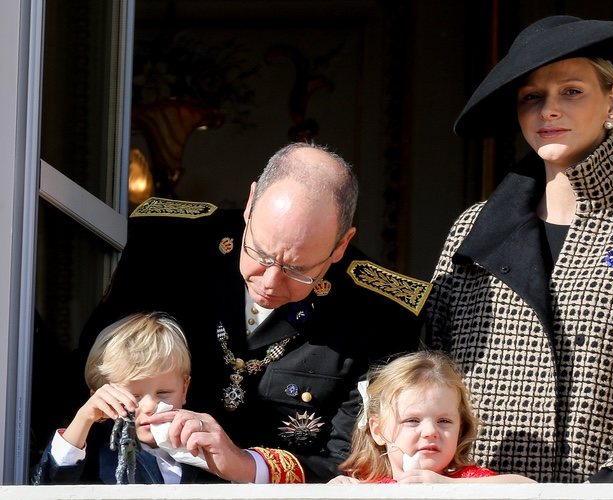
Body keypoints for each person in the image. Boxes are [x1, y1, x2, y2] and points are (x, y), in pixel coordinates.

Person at [426, 15, 613, 483]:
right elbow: (429, 380)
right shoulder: (472, 230)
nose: (549, 110)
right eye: (532, 97)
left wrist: (607, 492)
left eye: (571, 91)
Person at [72, 142, 431, 483]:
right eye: (260, 253)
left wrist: (247, 465)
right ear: (249, 204)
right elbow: (85, 378)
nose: (271, 281)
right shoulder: (169, 244)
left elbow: (356, 460)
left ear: (340, 246)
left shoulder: (381, 312)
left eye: (298, 269)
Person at [32, 312, 221, 484]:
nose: (150, 406)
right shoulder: (95, 453)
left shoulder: (202, 449)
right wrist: (84, 418)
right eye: (133, 396)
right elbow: (49, 484)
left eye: (163, 393)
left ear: (184, 389)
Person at [328, 351, 535, 484]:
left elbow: (528, 488)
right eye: (412, 420)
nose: (430, 432)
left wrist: (447, 486)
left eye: (444, 421)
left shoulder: (464, 481)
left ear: (460, 429)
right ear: (378, 430)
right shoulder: (365, 488)